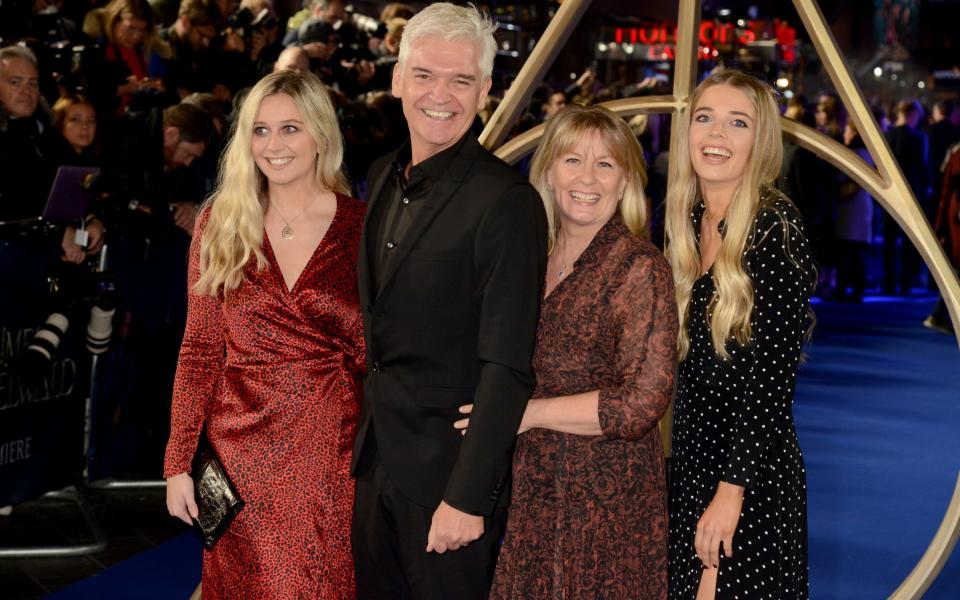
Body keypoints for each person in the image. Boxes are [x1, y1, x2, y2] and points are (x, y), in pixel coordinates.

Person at [350, 4, 547, 599]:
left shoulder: (507, 201)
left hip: (448, 481)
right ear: (397, 79)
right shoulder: (381, 174)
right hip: (374, 461)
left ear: (485, 90)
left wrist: (466, 497)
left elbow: (507, 366)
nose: (442, 95)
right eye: (426, 75)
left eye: (461, 80)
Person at [461, 105, 676, 598]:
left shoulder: (639, 267)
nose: (588, 178)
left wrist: (527, 413)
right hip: (534, 492)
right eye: (572, 160)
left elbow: (640, 405)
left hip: (609, 504)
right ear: (549, 175)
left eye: (606, 164)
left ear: (625, 183)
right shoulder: (529, 257)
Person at [164, 70, 365, 598]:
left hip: (332, 457)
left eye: (291, 129)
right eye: (261, 130)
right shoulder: (221, 224)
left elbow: (382, 353)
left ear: (322, 135)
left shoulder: (365, 228)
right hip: (239, 457)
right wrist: (178, 463)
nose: (273, 146)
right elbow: (200, 349)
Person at [664, 70, 816, 599]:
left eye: (737, 123)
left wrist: (731, 494)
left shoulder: (774, 227)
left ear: (761, 141)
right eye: (705, 118)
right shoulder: (688, 218)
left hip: (748, 474)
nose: (716, 135)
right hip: (691, 460)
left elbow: (771, 383)